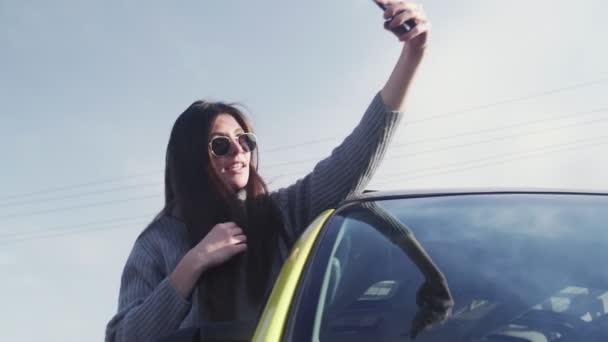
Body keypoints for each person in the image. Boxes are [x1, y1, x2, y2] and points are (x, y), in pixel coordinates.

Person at [105, 1, 433, 341]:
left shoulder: (279, 214)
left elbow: (355, 156)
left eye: (244, 140)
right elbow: (123, 337)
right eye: (221, 144)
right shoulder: (156, 243)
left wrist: (413, 53)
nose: (239, 152)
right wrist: (193, 263)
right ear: (189, 160)